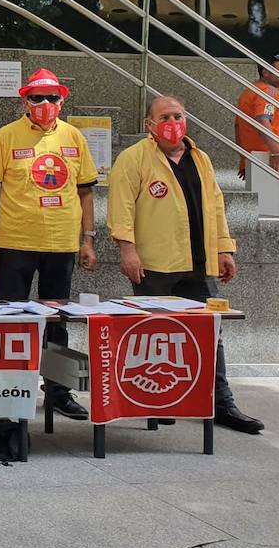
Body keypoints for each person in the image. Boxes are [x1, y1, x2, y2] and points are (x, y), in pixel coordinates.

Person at [108, 95, 263, 434]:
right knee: (155, 336)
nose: (172, 122)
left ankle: (221, 404)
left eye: (178, 115)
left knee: (210, 334)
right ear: (150, 125)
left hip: (199, 263)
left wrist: (224, 248)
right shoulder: (133, 159)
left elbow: (216, 207)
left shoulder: (201, 158)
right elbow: (120, 209)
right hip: (154, 265)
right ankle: (158, 403)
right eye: (164, 116)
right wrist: (128, 251)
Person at [0, 68, 98, 421]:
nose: (45, 104)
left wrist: (88, 240)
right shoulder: (6, 136)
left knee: (58, 321)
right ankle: (7, 391)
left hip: (61, 244)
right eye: (37, 98)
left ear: (62, 101)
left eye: (52, 97)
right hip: (15, 243)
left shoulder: (74, 137)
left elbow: (86, 191)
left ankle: (58, 392)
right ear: (24, 101)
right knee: (10, 320)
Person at [234, 54, 279, 179]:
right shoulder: (268, 92)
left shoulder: (249, 91)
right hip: (271, 159)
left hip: (254, 157)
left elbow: (238, 127)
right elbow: (263, 121)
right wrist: (276, 152)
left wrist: (244, 159)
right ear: (265, 73)